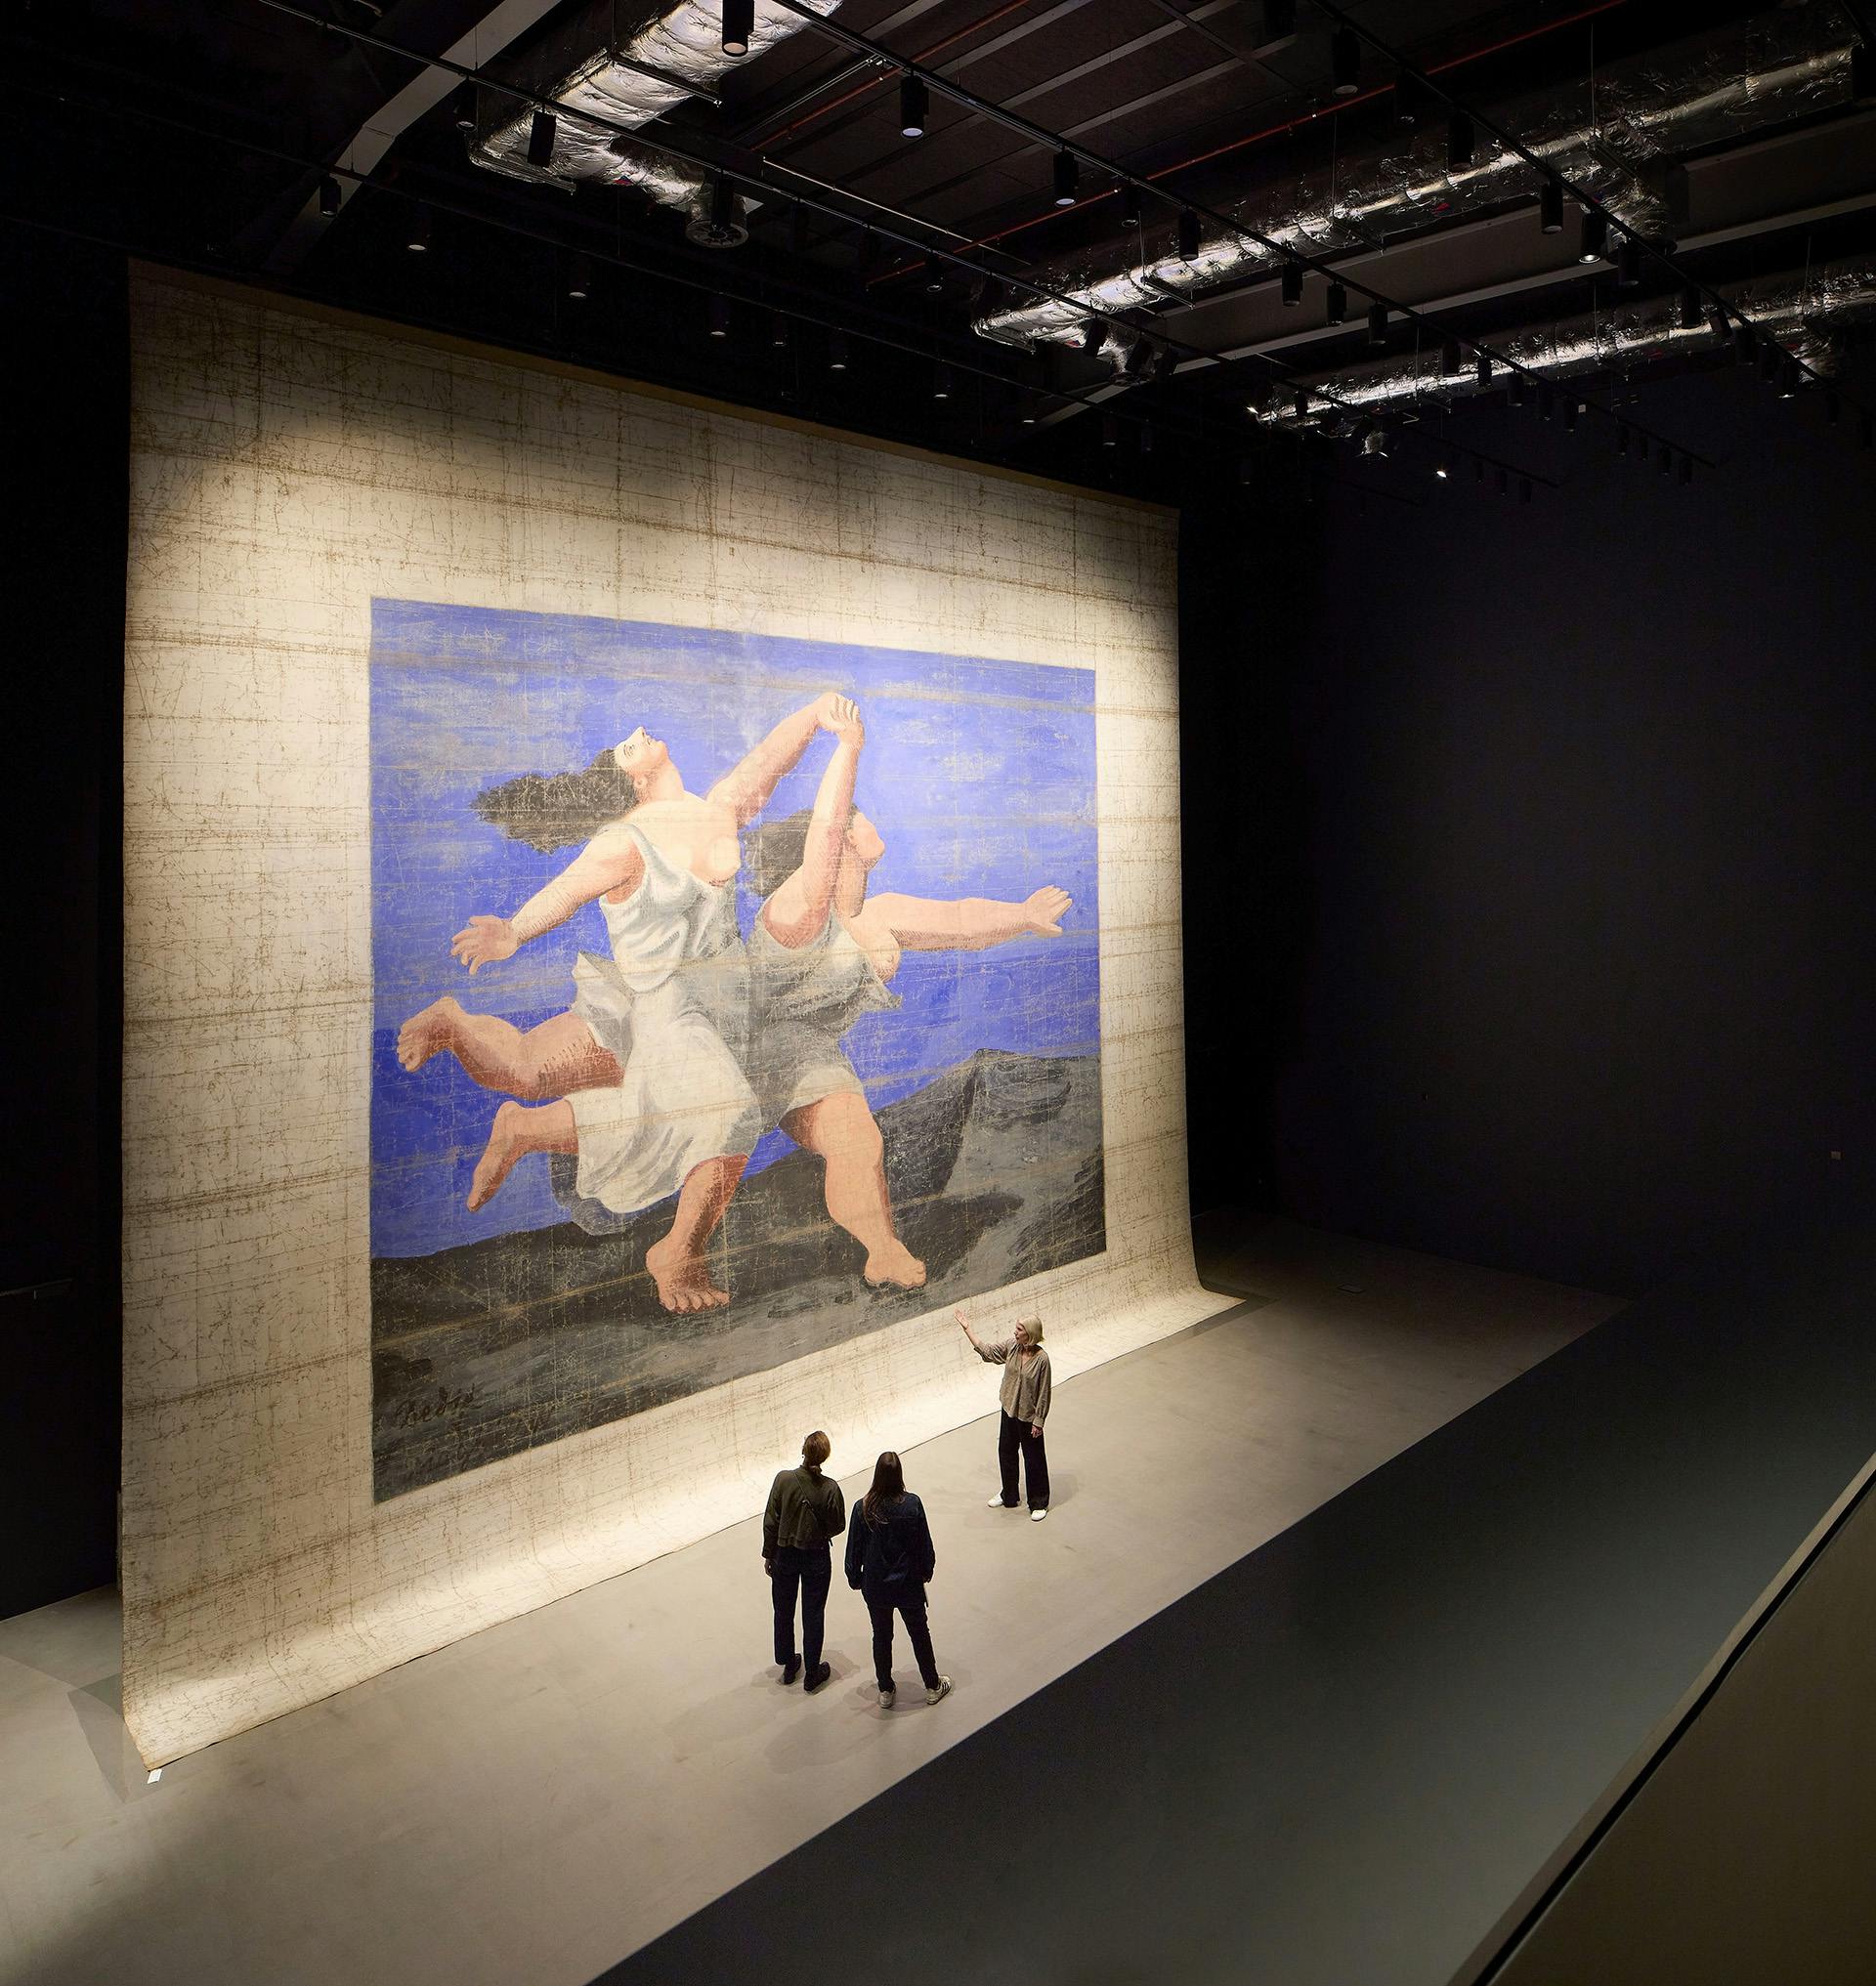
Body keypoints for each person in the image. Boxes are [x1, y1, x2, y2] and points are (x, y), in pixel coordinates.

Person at [395, 691, 855, 1312]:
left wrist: (814, 715)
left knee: (589, 1093)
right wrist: (511, 932)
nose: (636, 733)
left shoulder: (716, 808)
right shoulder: (624, 843)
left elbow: (767, 762)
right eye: (626, 745)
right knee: (721, 1111)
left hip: (718, 1008)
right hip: (664, 1007)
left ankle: (522, 1127)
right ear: (629, 776)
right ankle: (677, 1254)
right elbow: (565, 894)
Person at [742, 727, 1072, 1292]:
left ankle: (883, 1250)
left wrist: (1022, 915)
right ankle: (881, 1251)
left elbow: (962, 922)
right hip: (762, 1050)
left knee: (857, 1140)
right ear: (838, 836)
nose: (868, 820)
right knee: (849, 1139)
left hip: (815, 1051)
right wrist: (849, 747)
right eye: (855, 815)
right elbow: (825, 826)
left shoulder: (879, 912)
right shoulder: (794, 910)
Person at [844, 1452, 951, 1709]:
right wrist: (927, 1570)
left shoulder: (862, 1508)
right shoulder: (912, 1504)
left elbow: (853, 1550)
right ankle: (932, 1685)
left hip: (876, 1586)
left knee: (881, 1636)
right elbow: (925, 1544)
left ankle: (885, 1690)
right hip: (908, 1584)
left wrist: (856, 1579)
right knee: (919, 1634)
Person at [763, 1429, 847, 1693]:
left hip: (784, 1556)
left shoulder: (783, 1480)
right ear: (825, 1456)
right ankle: (812, 1672)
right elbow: (838, 1525)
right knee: (813, 1613)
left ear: (803, 1450)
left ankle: (789, 1665)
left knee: (783, 1610)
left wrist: (769, 1554)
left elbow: (770, 1522)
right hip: (816, 1558)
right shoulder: (831, 1488)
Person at [955, 1308, 1051, 1520]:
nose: (1015, 1332)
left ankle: (1039, 1502)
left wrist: (1039, 1421)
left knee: (1033, 1458)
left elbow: (1044, 1392)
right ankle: (1009, 1494)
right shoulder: (1011, 1347)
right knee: (1006, 1453)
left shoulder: (1042, 1359)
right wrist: (967, 1329)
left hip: (1028, 1417)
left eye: (1019, 1329)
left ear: (1030, 1333)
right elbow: (987, 1352)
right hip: (1008, 1410)